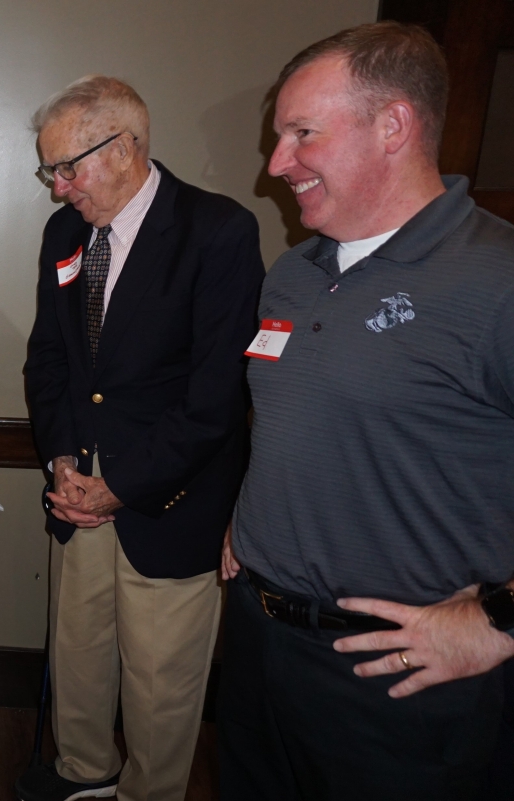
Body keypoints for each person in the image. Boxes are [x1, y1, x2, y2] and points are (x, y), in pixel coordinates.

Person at [219, 22, 514, 800]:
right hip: (257, 646)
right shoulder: (291, 273)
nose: (275, 164)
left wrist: (500, 619)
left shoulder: (498, 280)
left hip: (396, 682)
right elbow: (301, 417)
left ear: (393, 125)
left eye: (301, 133)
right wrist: (253, 515)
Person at [21, 76, 264, 801]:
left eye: (68, 168)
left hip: (169, 501)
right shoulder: (64, 236)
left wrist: (121, 486)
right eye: (50, 171)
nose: (59, 188)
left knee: (161, 683)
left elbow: (217, 397)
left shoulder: (217, 231)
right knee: (79, 655)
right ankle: (84, 773)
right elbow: (49, 361)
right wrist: (62, 462)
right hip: (79, 493)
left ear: (124, 148)